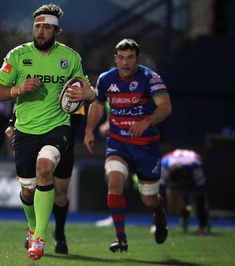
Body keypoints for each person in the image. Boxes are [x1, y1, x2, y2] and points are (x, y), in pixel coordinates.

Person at [0, 3, 96, 260]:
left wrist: (88, 93)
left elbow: (89, 91)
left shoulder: (70, 58)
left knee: (45, 170)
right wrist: (18, 89)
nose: (40, 31)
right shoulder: (16, 56)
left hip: (57, 127)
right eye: (37, 26)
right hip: (25, 130)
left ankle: (40, 237)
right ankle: (32, 227)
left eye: (46, 27)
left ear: (56, 30)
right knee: (27, 190)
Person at [84, 38, 172, 253]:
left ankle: (159, 213)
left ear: (137, 59)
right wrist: (89, 130)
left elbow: (166, 107)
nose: (125, 62)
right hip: (118, 142)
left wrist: (147, 121)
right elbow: (97, 104)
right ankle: (120, 238)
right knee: (114, 181)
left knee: (149, 198)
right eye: (121, 58)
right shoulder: (106, 79)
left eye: (130, 57)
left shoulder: (151, 78)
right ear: (115, 59)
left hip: (146, 146)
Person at [5, 102, 85, 255]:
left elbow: (78, 117)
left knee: (60, 194)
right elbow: (19, 101)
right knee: (28, 191)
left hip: (60, 139)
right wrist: (11, 122)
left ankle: (59, 233)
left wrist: (56, 111)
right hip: (30, 137)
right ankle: (34, 229)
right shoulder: (31, 79)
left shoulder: (68, 81)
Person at [154, 149, 210, 235]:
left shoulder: (197, 169)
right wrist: (156, 224)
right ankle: (185, 213)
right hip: (180, 169)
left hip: (193, 171)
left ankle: (203, 221)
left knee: (198, 202)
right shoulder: (163, 168)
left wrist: (201, 226)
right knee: (173, 208)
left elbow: (200, 196)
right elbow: (160, 196)